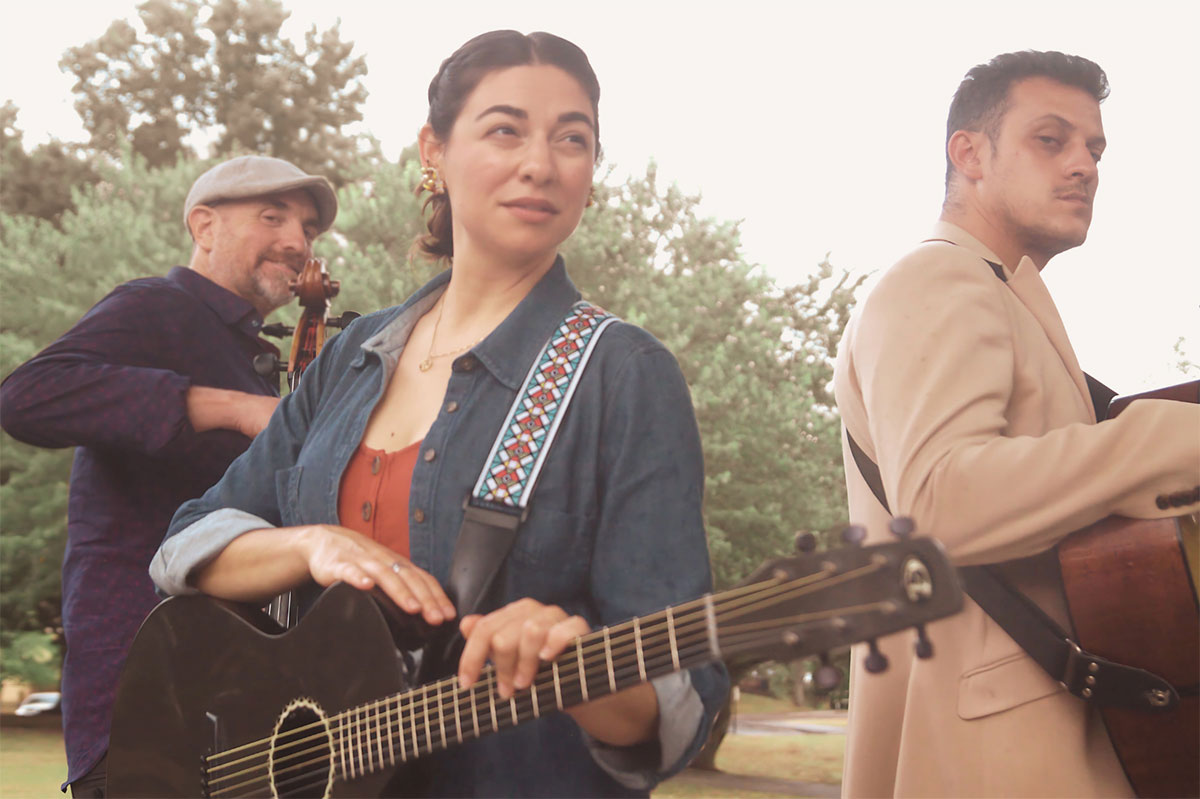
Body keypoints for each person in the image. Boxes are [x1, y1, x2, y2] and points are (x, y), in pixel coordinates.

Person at [151, 30, 728, 797]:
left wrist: (577, 669)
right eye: (505, 129)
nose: (541, 163)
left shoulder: (622, 374)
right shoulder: (354, 356)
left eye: (573, 139)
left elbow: (682, 690)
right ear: (434, 151)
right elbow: (189, 542)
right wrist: (312, 544)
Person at [833, 50, 1200, 797]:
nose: (1084, 165)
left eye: (1094, 148)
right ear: (968, 153)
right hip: (998, 743)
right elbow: (941, 502)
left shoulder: (1000, 293)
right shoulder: (939, 276)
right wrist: (1164, 439)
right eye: (1050, 139)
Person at [0, 154, 338, 797]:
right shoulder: (156, 306)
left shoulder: (257, 357)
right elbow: (26, 397)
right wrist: (229, 408)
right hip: (143, 695)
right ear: (205, 227)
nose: (297, 242)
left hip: (241, 698)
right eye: (273, 216)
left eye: (309, 230)